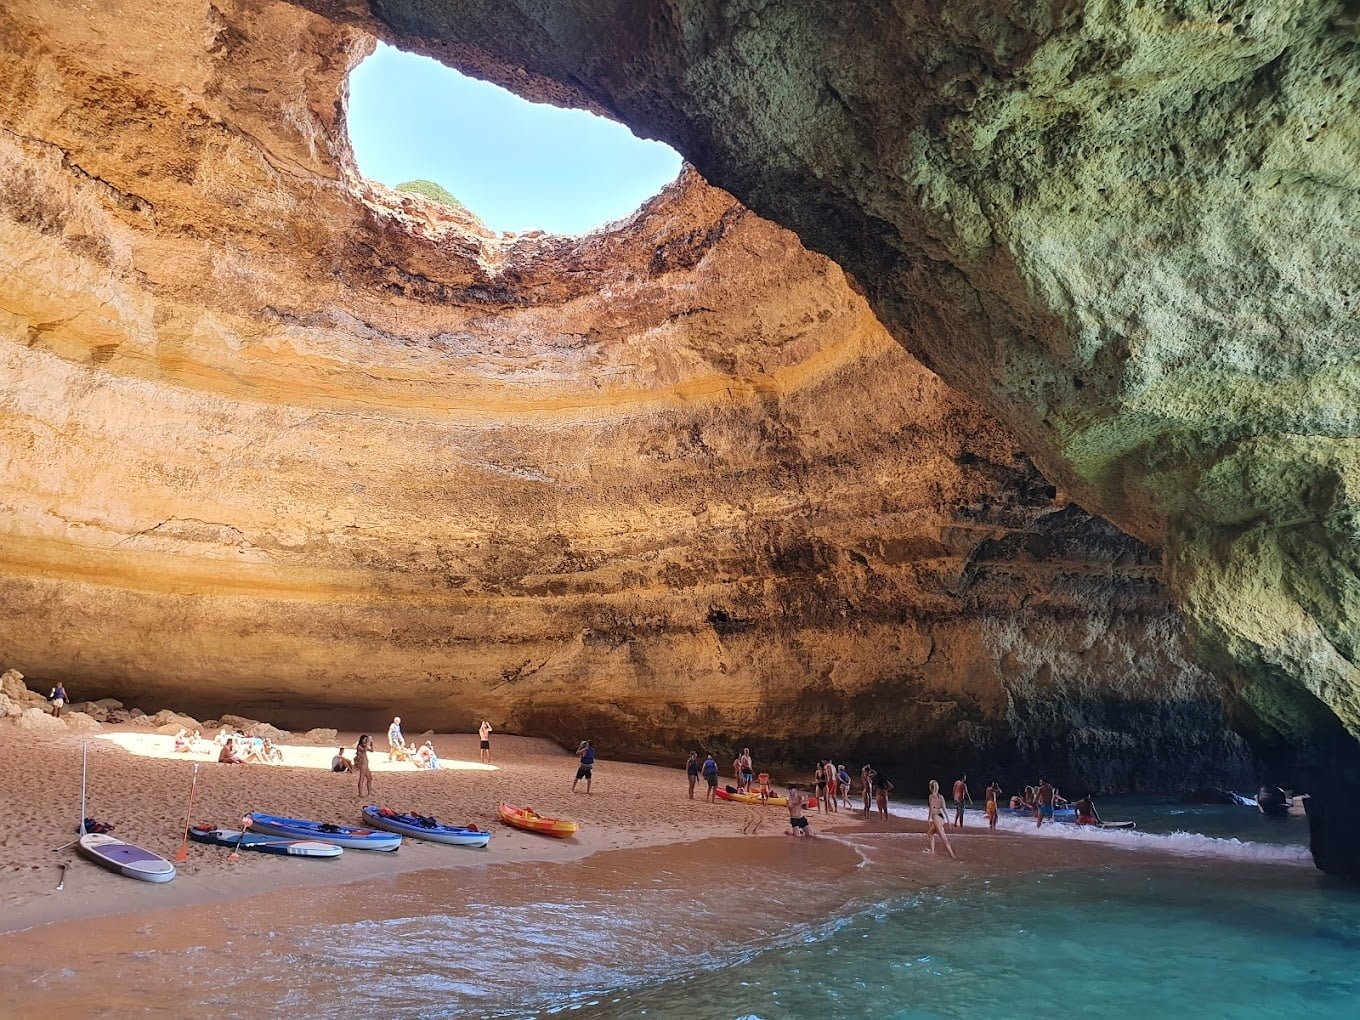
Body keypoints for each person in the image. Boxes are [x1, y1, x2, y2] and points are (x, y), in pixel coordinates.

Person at [925, 780, 957, 858]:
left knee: (943, 837)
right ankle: (932, 851)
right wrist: (948, 820)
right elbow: (944, 809)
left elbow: (931, 809)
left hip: (936, 817)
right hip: (941, 817)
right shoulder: (941, 796)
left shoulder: (931, 796)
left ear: (930, 788)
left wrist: (929, 818)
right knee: (930, 833)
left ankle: (952, 854)